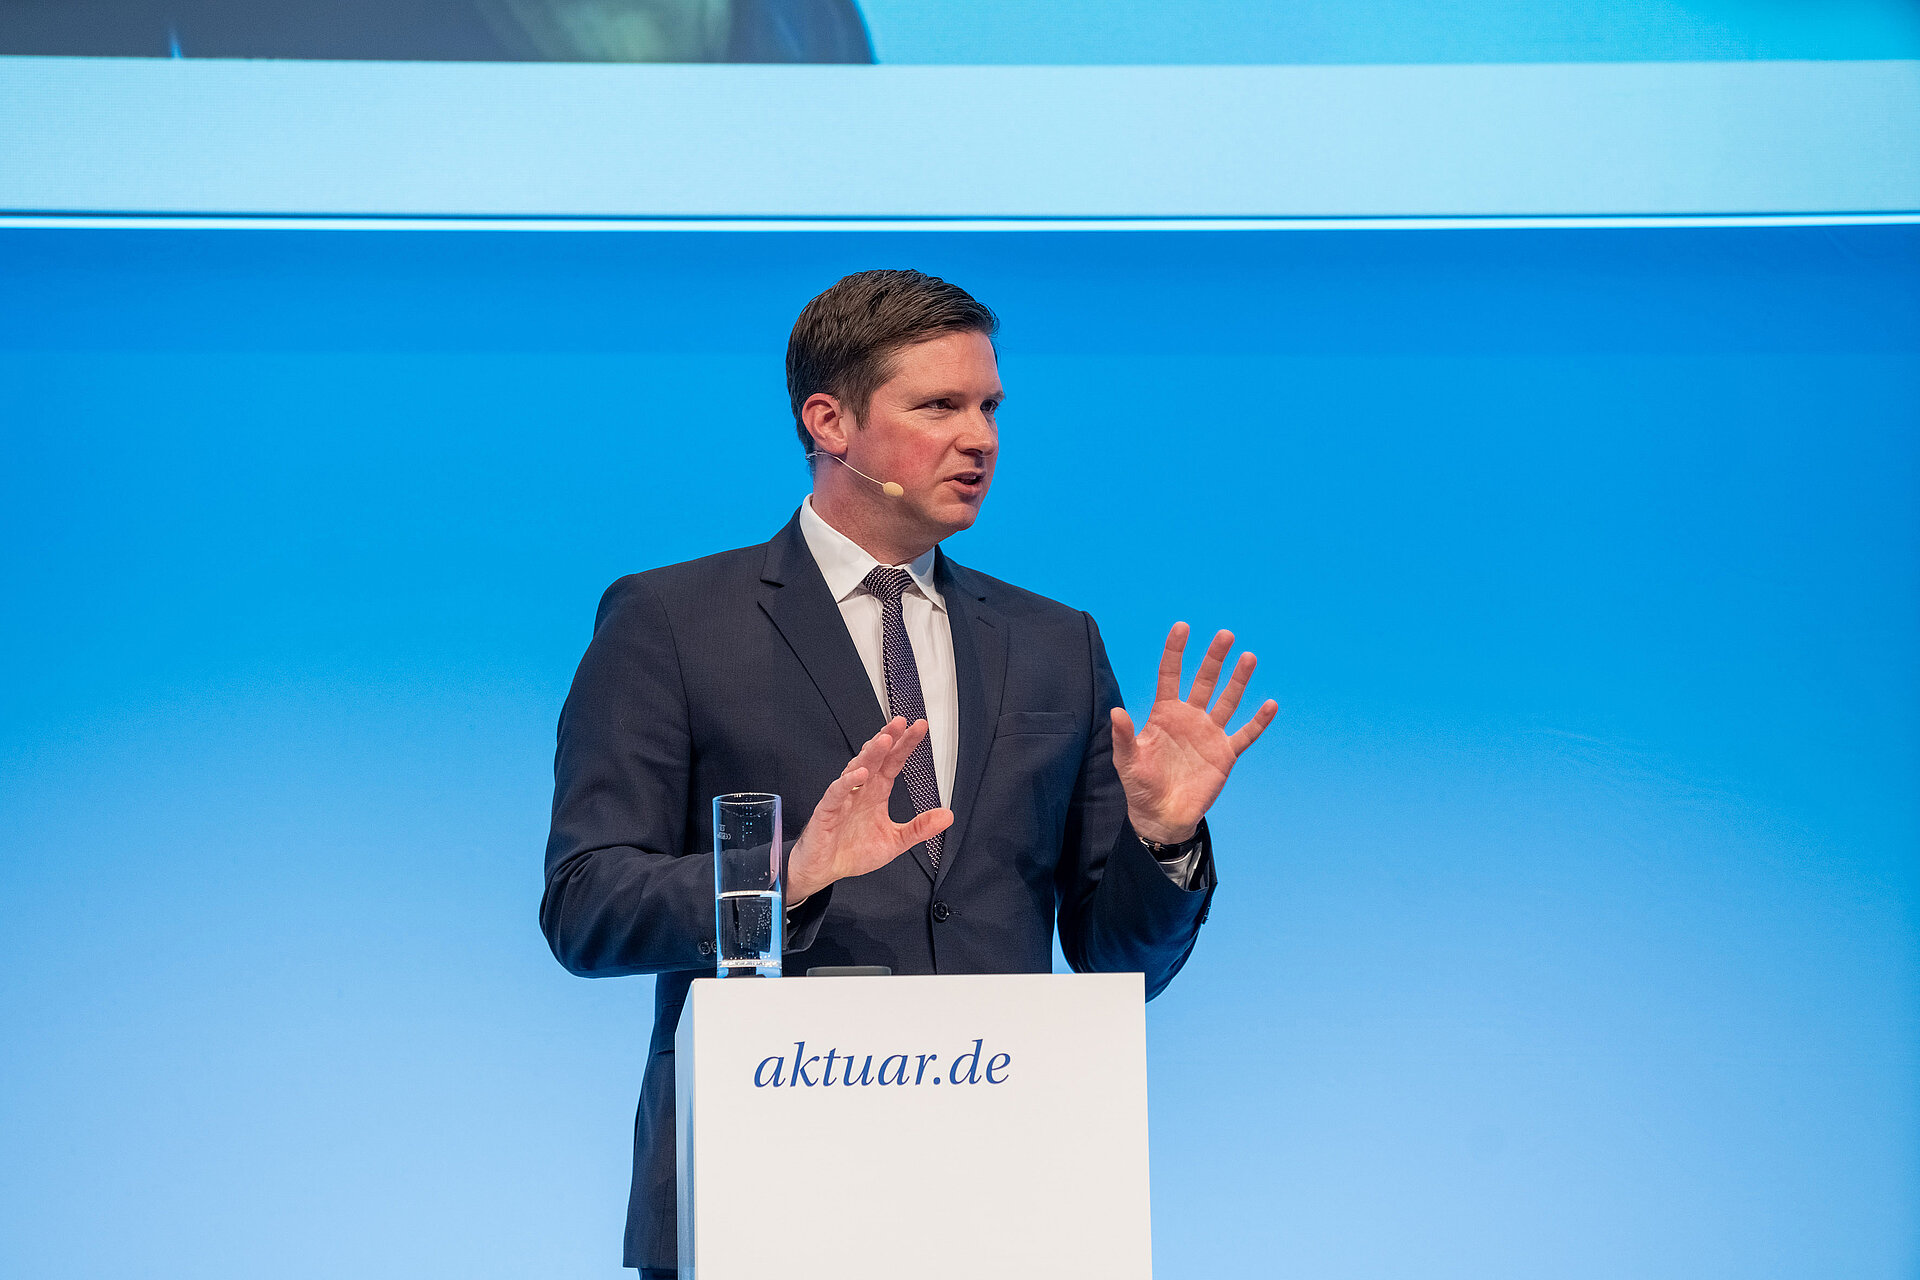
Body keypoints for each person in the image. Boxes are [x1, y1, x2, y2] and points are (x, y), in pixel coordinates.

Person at [541, 268, 1277, 1276]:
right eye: (939, 405)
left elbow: (1120, 962)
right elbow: (584, 907)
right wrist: (789, 872)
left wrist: (1160, 839)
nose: (981, 437)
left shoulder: (1055, 642)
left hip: (1008, 1198)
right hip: (760, 1191)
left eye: (990, 406)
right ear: (829, 420)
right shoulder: (671, 623)